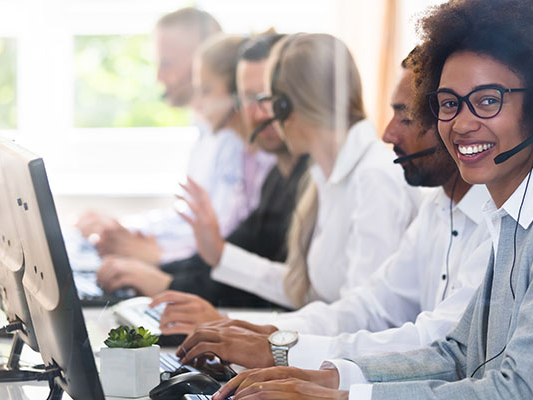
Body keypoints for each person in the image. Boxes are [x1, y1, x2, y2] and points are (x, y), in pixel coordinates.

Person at [211, 1, 533, 399]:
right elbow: (457, 354)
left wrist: (346, 396)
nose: (461, 123)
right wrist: (331, 378)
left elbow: (521, 391)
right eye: (448, 103)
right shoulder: (515, 216)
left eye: (487, 101)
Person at [162, 51, 494, 373]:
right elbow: (367, 306)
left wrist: (280, 348)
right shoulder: (433, 206)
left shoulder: (376, 177)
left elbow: (435, 343)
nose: (387, 133)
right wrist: (261, 334)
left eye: (405, 117)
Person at [155, 33, 420, 314]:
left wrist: (241, 329)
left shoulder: (374, 178)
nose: (264, 113)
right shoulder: (325, 176)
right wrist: (221, 256)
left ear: (286, 106)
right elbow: (305, 291)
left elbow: (362, 317)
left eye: (269, 99)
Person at [96, 34, 309, 310]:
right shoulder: (276, 176)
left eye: (267, 98)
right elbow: (229, 252)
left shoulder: (286, 171)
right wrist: (165, 274)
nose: (260, 112)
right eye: (250, 98)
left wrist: (163, 274)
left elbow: (266, 279)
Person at [74, 9, 272, 266]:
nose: (158, 76)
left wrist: (154, 255)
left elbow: (224, 240)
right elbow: (188, 220)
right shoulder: (208, 131)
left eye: (167, 63)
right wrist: (122, 230)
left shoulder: (241, 145)